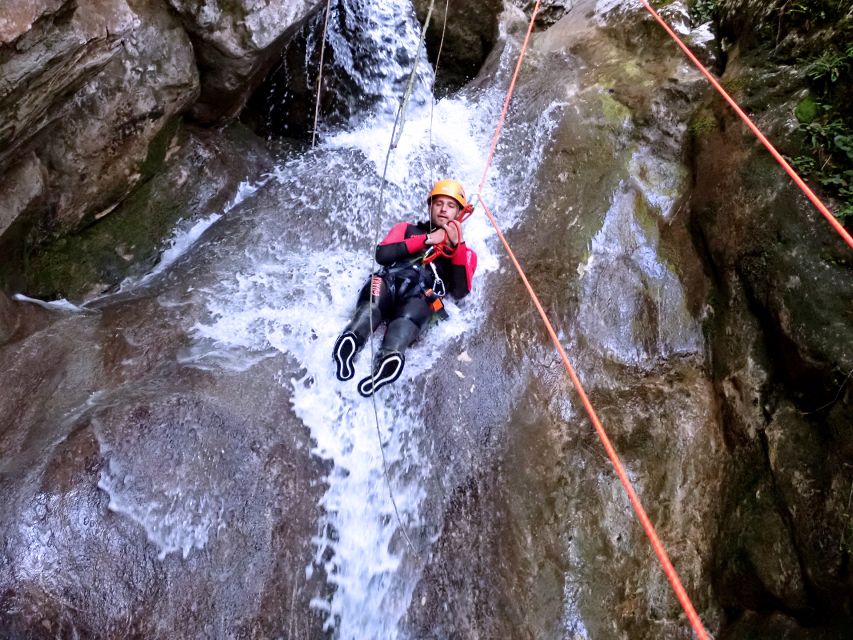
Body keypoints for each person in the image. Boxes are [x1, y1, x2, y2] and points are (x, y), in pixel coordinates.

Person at [333, 179, 478, 396]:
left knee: (408, 320)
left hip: (420, 297)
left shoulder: (465, 253)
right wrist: (428, 239)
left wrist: (457, 247)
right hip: (388, 282)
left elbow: (459, 292)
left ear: (458, 213)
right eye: (438, 203)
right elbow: (382, 255)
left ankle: (388, 359)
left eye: (450, 205)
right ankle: (351, 340)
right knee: (371, 307)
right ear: (430, 206)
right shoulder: (406, 229)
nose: (443, 209)